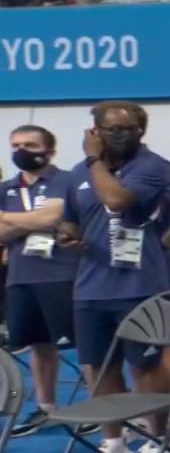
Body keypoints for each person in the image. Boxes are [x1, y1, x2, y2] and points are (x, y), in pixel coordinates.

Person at [58, 101, 170, 453]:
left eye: (128, 129)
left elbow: (117, 200)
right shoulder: (78, 174)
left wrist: (165, 240)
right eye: (111, 128)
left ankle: (161, 438)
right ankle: (114, 443)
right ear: (95, 130)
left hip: (141, 286)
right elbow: (72, 217)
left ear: (141, 132)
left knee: (146, 365)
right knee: (98, 367)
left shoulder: (150, 167)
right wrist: (68, 235)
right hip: (91, 286)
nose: (119, 135)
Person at [0, 126, 81, 436]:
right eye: (16, 145)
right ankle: (47, 408)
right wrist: (34, 220)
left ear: (50, 151)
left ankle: (99, 409)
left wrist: (9, 219)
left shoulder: (66, 181)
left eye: (30, 145)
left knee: (86, 346)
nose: (21, 150)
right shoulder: (7, 187)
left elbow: (50, 218)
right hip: (21, 277)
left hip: (63, 274)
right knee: (38, 345)